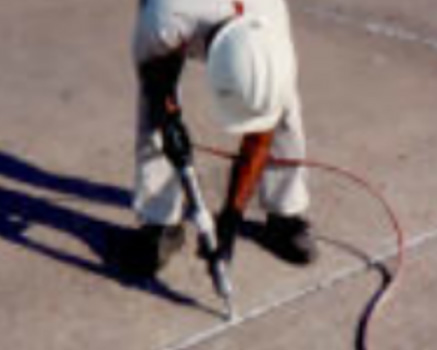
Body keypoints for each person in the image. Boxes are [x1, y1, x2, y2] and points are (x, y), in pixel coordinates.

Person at [129, 0, 317, 277]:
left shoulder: (271, 32)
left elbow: (260, 137)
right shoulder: (163, 21)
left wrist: (230, 218)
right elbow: (156, 82)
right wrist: (169, 121)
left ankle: (284, 214)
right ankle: (161, 222)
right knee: (153, 115)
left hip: (250, 13)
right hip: (179, 16)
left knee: (280, 105)